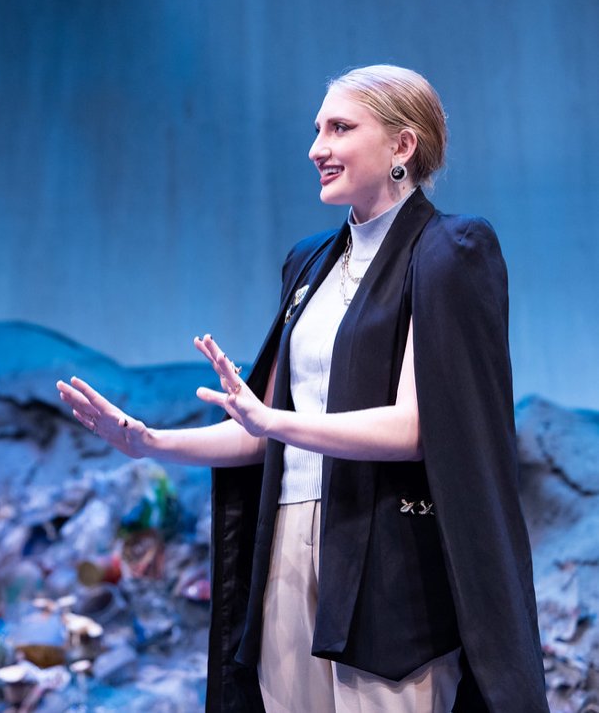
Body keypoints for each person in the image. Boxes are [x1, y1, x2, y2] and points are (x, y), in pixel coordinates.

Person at [58, 65, 546, 712]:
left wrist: (274, 423)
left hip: (388, 552)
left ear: (403, 146)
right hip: (288, 537)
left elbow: (415, 428)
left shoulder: (448, 249)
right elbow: (264, 427)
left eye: (340, 128)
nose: (317, 147)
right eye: (317, 129)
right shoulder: (309, 263)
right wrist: (150, 442)